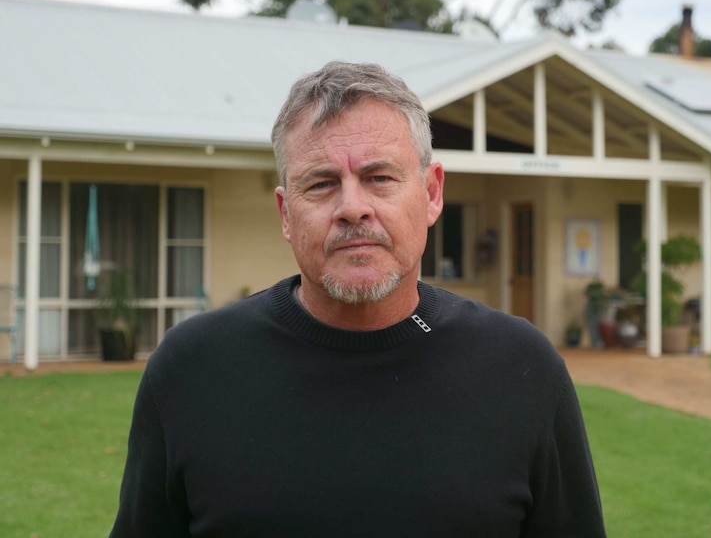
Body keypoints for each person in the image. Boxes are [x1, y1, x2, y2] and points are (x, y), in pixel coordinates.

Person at [110, 61, 606, 537]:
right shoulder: (191, 369)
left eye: (379, 178)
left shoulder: (521, 369)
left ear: (432, 194)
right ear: (286, 214)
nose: (352, 208)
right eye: (322, 184)